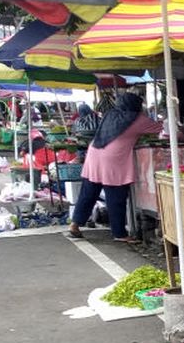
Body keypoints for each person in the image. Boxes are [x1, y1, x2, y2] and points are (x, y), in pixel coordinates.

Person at [69, 92, 161, 243]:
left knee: (88, 193)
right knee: (116, 197)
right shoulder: (137, 119)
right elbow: (161, 129)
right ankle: (119, 233)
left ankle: (75, 224)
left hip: (94, 153)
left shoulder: (110, 114)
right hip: (113, 159)